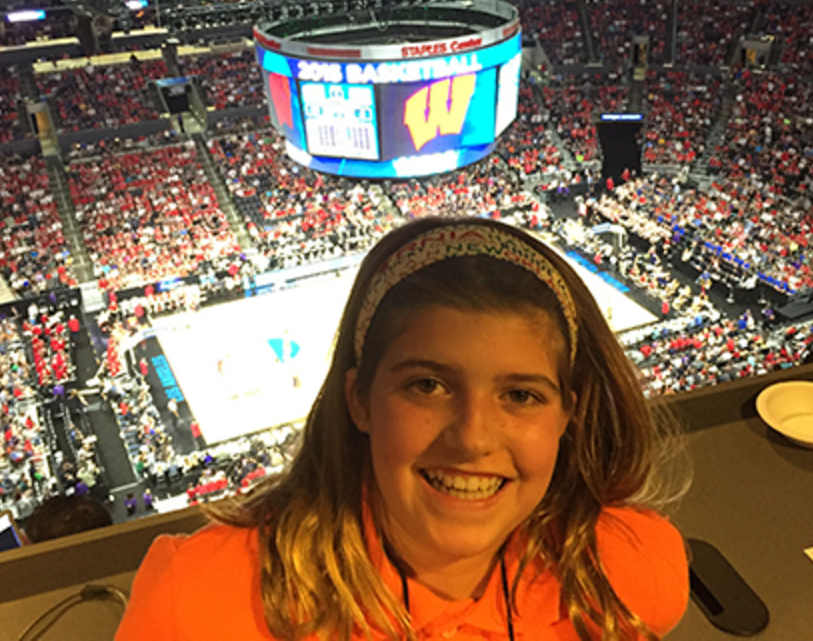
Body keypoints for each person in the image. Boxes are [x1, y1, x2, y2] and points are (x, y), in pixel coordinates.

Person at [116, 217, 688, 640]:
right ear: (359, 399)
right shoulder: (195, 601)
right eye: (427, 386)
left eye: (520, 396)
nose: (473, 437)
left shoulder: (631, 572)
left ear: (568, 414)